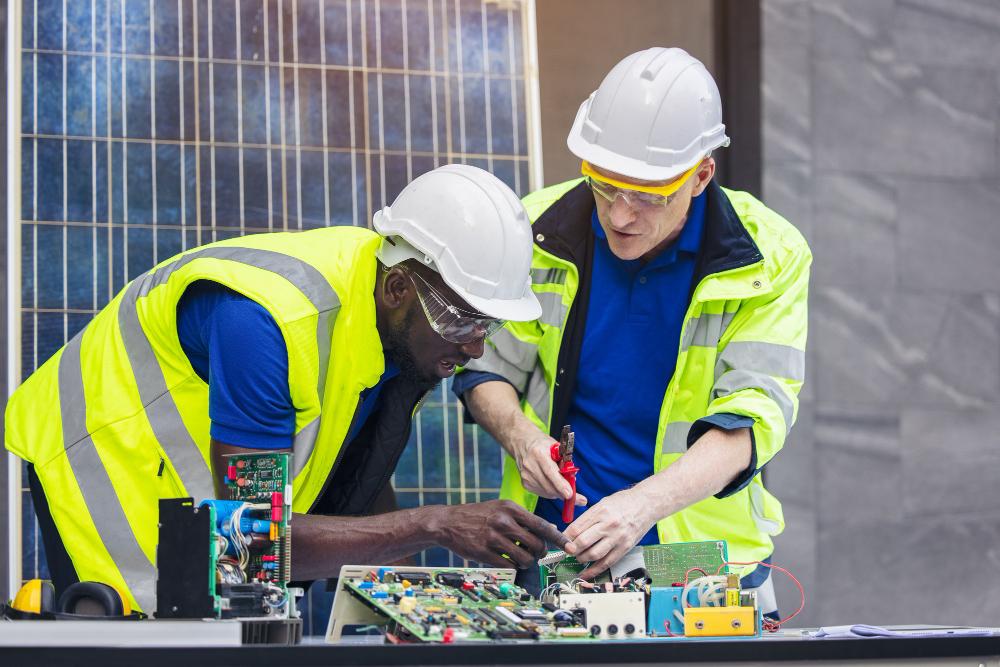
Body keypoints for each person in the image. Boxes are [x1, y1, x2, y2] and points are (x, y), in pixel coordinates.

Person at [5, 164, 566, 613]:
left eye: (487, 328)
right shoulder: (268, 323)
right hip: (103, 453)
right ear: (397, 287)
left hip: (200, 480)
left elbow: (363, 473)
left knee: (237, 610)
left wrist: (417, 599)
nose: (474, 349)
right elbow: (250, 545)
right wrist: (435, 524)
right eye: (463, 323)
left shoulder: (397, 320)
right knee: (155, 633)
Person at [454, 48, 811, 616]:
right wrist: (521, 437)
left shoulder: (771, 256)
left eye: (647, 197)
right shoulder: (536, 230)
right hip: (555, 554)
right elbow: (486, 368)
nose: (619, 216)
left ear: (700, 176)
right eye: (603, 186)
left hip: (707, 566)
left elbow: (753, 417)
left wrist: (642, 506)